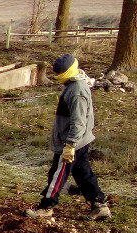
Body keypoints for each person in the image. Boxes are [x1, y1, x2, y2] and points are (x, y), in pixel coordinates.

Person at [25, 54, 110, 221]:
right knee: (83, 173)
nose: (58, 78)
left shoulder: (77, 91)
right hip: (79, 141)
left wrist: (70, 145)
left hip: (72, 143)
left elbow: (78, 121)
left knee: (58, 174)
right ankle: (99, 206)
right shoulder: (71, 85)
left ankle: (46, 206)